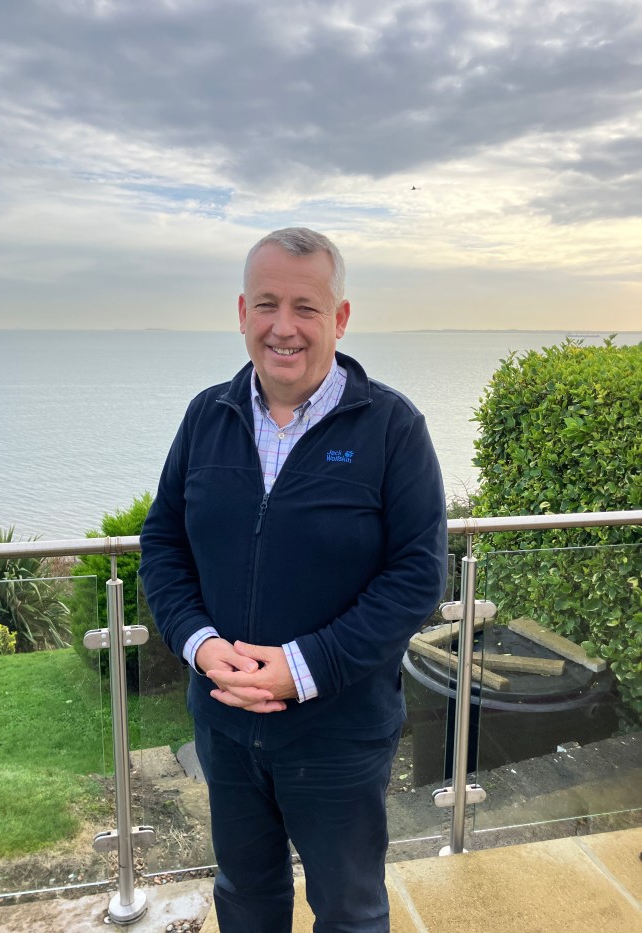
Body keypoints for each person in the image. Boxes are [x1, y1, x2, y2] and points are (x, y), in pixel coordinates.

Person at [139, 227, 447, 933]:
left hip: (338, 731)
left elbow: (417, 575)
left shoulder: (393, 427)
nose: (284, 327)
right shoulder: (205, 416)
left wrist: (302, 668)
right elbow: (162, 541)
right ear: (242, 311)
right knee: (245, 897)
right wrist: (198, 641)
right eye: (268, 304)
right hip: (222, 718)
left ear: (339, 318)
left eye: (306, 307)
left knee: (348, 908)